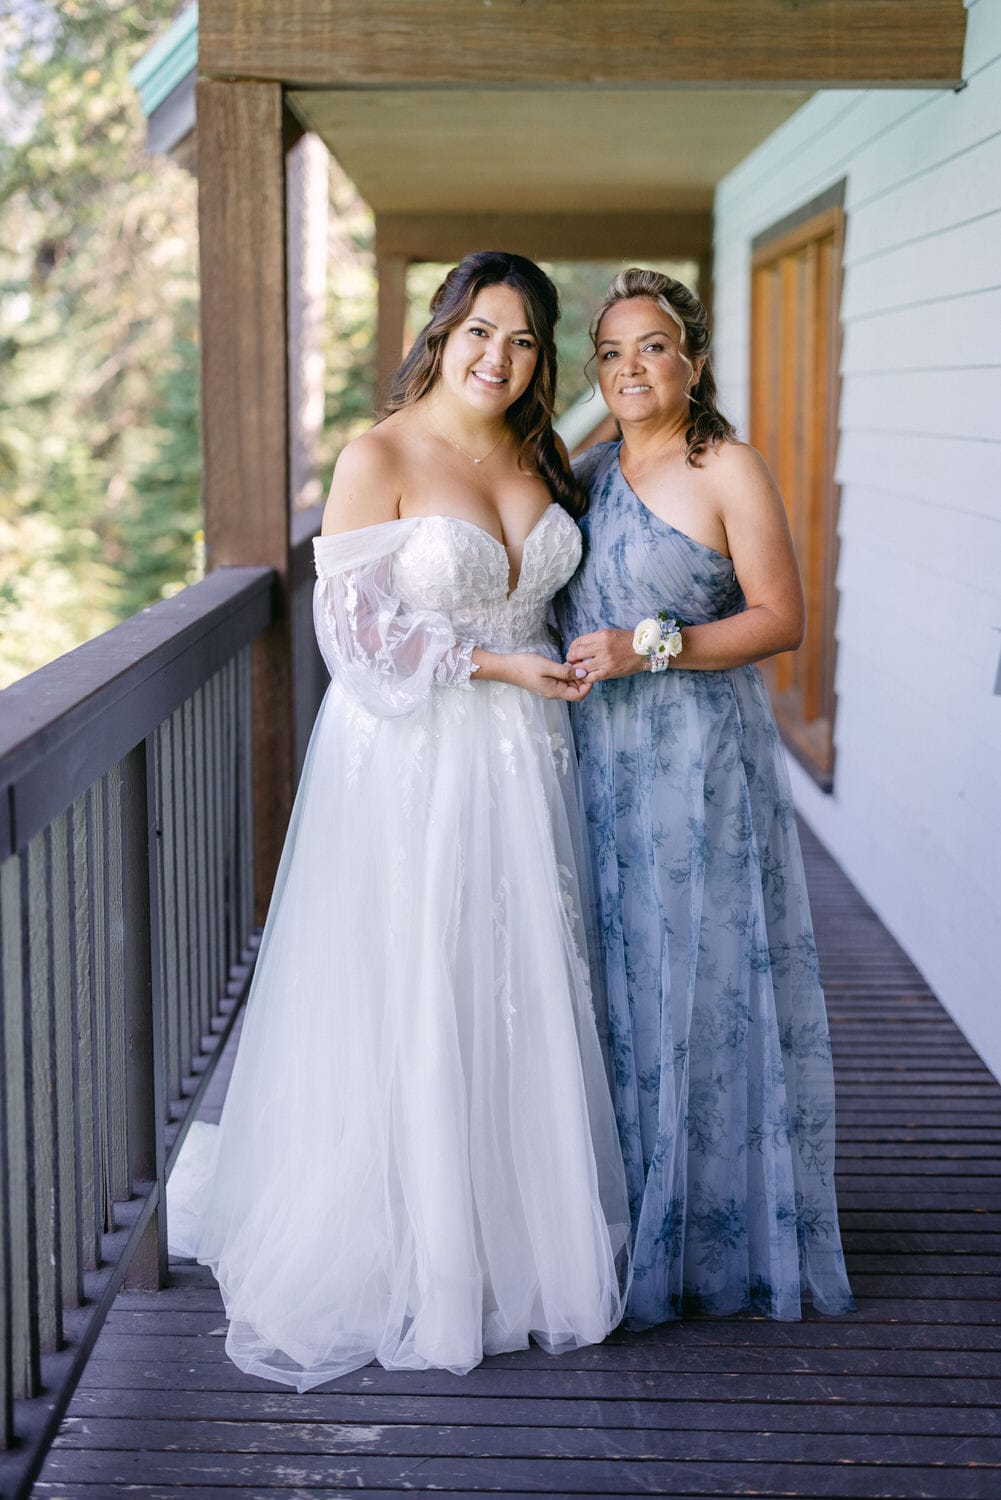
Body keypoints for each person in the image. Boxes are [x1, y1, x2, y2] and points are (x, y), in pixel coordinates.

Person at [166, 251, 629, 1391]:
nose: (499, 358)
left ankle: (521, 1240)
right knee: (423, 977)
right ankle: (416, 1252)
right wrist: (495, 666)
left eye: (523, 342)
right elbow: (354, 640)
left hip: (532, 760)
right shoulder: (376, 456)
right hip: (415, 758)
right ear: (441, 329)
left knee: (516, 981)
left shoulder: (537, 452)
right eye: (481, 331)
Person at [556, 267, 853, 1327]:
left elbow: (780, 619)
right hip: (596, 763)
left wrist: (654, 648)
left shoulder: (724, 464)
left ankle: (709, 1232)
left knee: (700, 979)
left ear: (690, 359)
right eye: (612, 352)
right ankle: (623, 1211)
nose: (631, 368)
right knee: (612, 982)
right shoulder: (582, 473)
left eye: (651, 347)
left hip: (695, 765)